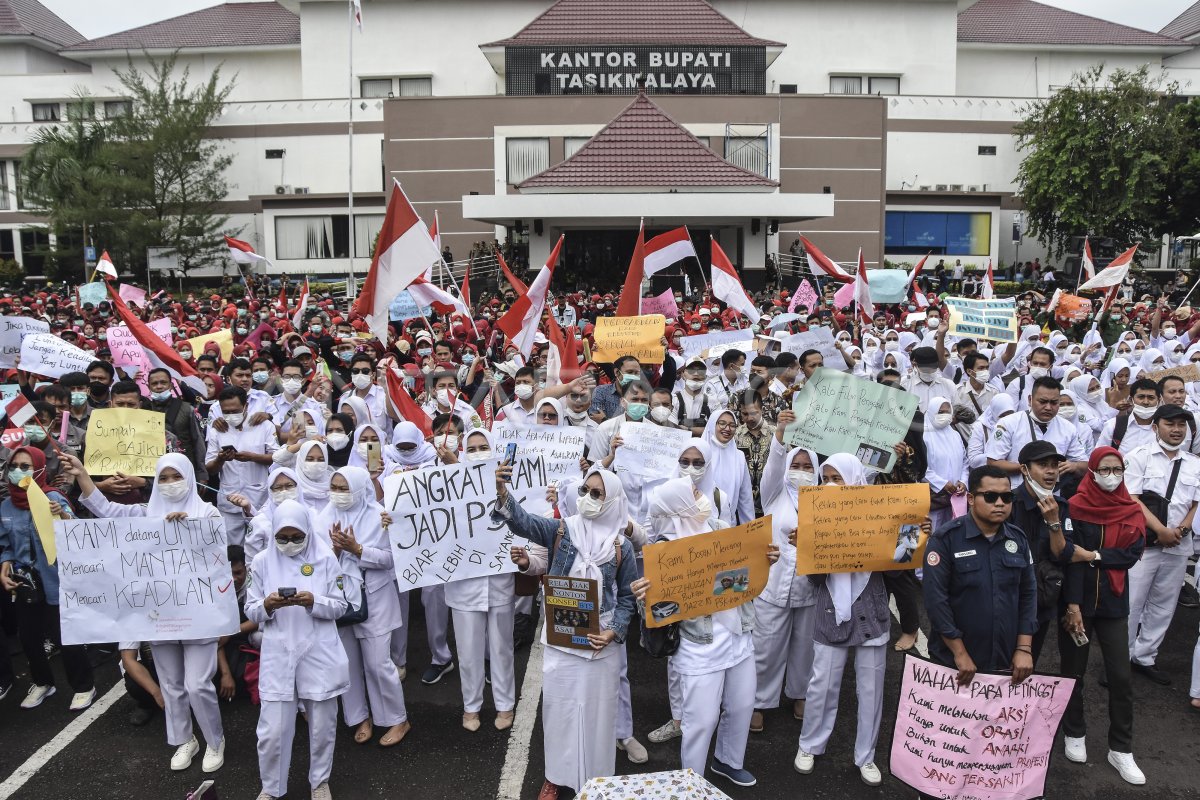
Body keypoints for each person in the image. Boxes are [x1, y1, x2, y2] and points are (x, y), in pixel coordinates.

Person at [67, 452, 226, 772]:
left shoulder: (207, 512)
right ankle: (185, 740)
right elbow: (106, 509)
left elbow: (218, 551)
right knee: (171, 683)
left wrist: (188, 528)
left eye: (176, 477)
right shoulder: (145, 513)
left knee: (197, 684)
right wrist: (83, 475)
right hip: (160, 615)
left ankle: (214, 739)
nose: (169, 484)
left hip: (198, 614)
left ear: (189, 478)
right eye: (163, 478)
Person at [494, 465, 637, 800]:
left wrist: (614, 632)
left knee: (598, 717)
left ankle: (596, 782)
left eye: (597, 494)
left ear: (612, 500)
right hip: (561, 640)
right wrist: (503, 494)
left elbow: (628, 597)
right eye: (585, 491)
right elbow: (524, 522)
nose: (588, 498)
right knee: (558, 712)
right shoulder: (562, 530)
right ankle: (555, 777)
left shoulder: (621, 546)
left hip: (600, 644)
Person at [631, 478, 778, 788]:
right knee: (702, 721)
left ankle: (727, 761)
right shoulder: (664, 549)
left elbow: (748, 569)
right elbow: (662, 609)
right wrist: (645, 595)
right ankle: (692, 782)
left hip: (738, 633)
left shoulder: (723, 528)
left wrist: (766, 559)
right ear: (679, 504)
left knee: (741, 705)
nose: (702, 497)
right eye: (694, 494)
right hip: (699, 645)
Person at [793, 454, 923, 786]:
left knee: (871, 688)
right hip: (829, 611)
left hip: (872, 612)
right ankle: (809, 745)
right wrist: (808, 547)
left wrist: (916, 534)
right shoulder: (815, 517)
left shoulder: (879, 514)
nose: (832, 485)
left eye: (839, 477)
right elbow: (815, 580)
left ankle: (866, 755)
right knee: (822, 684)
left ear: (854, 479)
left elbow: (901, 559)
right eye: (827, 478)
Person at [247, 500, 349, 800]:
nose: (289, 544)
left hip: (318, 650)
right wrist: (267, 605)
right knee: (272, 731)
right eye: (282, 537)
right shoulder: (262, 562)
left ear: (307, 531)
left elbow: (341, 605)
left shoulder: (327, 558)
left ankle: (319, 781)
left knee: (322, 726)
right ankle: (271, 787)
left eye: (296, 537)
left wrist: (313, 601)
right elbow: (250, 609)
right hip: (278, 652)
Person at [1059, 447, 1147, 785]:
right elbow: (1070, 556)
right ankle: (1074, 731)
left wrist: (1094, 554)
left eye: (1117, 469)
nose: (1111, 475)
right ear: (1092, 470)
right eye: (1105, 469)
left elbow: (1131, 554)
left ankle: (1121, 748)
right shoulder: (1076, 507)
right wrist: (1073, 606)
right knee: (1073, 671)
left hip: (1113, 602)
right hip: (1077, 601)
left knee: (1121, 677)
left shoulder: (1130, 508)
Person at [317, 466, 410, 748]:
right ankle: (359, 717)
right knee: (347, 663)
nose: (338, 494)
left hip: (375, 596)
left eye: (344, 488)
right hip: (341, 599)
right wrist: (335, 550)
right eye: (334, 487)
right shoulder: (323, 518)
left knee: (378, 663)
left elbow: (391, 559)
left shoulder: (379, 517)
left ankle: (397, 718)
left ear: (359, 488)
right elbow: (317, 563)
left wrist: (357, 549)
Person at [923, 464, 1036, 687]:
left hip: (1005, 660)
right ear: (971, 499)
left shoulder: (1018, 539)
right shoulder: (945, 539)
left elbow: (1028, 594)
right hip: (954, 664)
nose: (1000, 503)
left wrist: (1024, 648)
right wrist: (959, 652)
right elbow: (936, 601)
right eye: (991, 496)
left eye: (1007, 496)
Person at [0, 446, 95, 711]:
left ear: (40, 469)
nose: (19, 471)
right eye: (15, 465)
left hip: (56, 581)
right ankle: (43, 682)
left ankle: (84, 685)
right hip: (24, 583)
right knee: (29, 638)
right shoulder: (7, 505)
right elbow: (6, 545)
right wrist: (4, 568)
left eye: (26, 466)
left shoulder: (52, 497)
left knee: (64, 636)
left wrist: (61, 514)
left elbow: (77, 534)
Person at [749, 409, 817, 733]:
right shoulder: (775, 493)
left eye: (807, 467)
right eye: (796, 466)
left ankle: (800, 694)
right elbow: (774, 467)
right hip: (773, 583)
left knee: (806, 646)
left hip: (811, 587)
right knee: (767, 645)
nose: (801, 471)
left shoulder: (824, 499)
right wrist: (780, 435)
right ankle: (760, 701)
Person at [444, 430, 517, 732]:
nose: (477, 452)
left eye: (483, 447)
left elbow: (521, 516)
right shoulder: (446, 486)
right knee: (469, 651)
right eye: (471, 448)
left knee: (501, 647)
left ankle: (505, 704)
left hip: (499, 579)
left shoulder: (511, 483)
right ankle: (471, 707)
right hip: (463, 584)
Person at [1123, 405, 1198, 685]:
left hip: (1178, 543)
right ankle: (1120, 660)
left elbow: (1195, 503)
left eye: (1182, 425)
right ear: (1155, 427)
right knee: (1132, 603)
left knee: (1163, 605)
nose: (1177, 429)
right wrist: (1160, 530)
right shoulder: (1138, 457)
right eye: (1170, 424)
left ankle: (1145, 657)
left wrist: (1180, 529)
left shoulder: (1193, 463)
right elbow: (1132, 499)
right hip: (1145, 544)